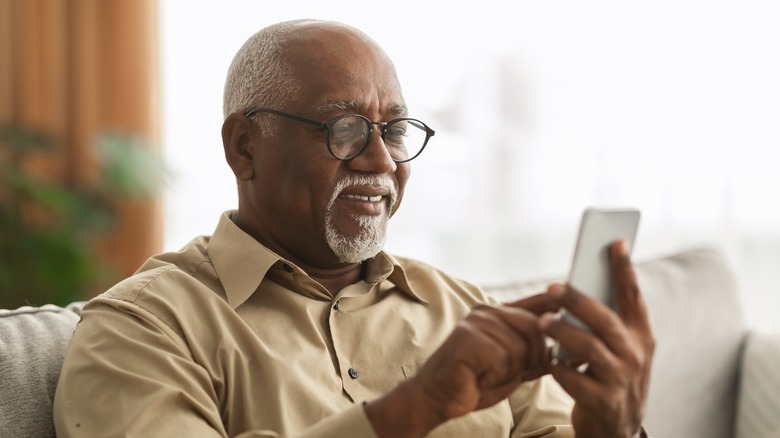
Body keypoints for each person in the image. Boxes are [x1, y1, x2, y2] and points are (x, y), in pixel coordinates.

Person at [54, 19, 654, 438]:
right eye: (344, 128)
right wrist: (414, 411)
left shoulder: (468, 313)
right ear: (244, 148)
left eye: (393, 131)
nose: (383, 161)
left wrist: (612, 428)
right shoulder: (143, 328)